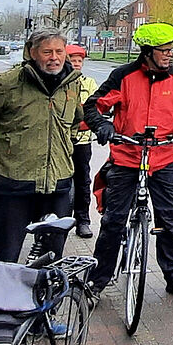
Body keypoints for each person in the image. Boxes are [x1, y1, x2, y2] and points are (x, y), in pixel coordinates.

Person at [84, 23, 173, 300]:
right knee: (114, 220)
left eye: (172, 50)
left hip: (164, 158)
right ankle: (98, 280)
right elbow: (93, 106)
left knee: (170, 220)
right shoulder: (124, 76)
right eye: (164, 51)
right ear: (148, 52)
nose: (170, 55)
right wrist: (103, 126)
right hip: (127, 156)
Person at [0, 30, 84, 263]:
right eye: (47, 52)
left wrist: (64, 150)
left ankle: (42, 298)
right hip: (15, 186)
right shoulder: (8, 84)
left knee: (52, 259)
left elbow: (75, 121)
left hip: (59, 187)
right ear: (32, 53)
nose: (54, 57)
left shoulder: (72, 84)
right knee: (5, 257)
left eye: (59, 51)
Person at [65, 43, 97, 238]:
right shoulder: (59, 83)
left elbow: (95, 109)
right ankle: (57, 220)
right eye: (73, 60)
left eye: (79, 61)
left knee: (83, 181)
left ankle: (83, 220)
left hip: (82, 141)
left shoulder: (90, 83)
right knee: (59, 182)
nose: (77, 64)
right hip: (61, 141)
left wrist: (84, 124)